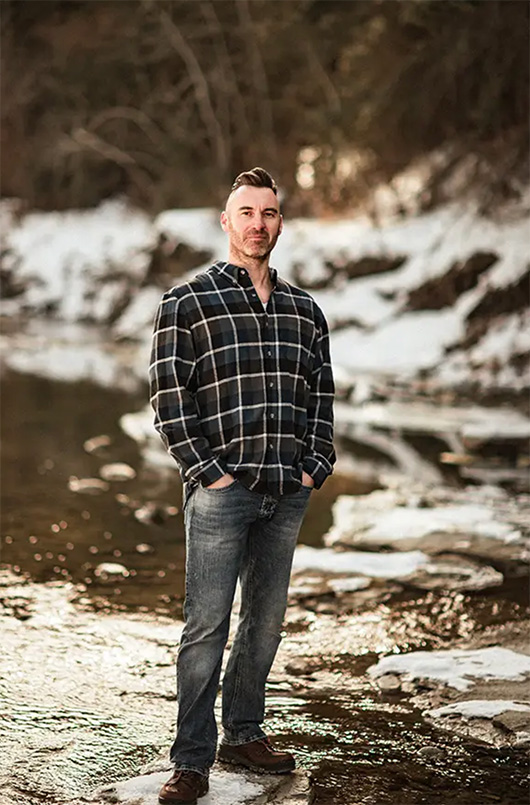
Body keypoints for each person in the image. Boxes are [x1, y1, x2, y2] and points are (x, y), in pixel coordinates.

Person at [149, 167, 335, 804]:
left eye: (270, 213)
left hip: (287, 489)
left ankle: (243, 733)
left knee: (265, 622)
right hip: (222, 492)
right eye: (247, 213)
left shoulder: (304, 310)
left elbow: (322, 397)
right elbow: (170, 400)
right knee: (205, 627)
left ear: (280, 223)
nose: (259, 224)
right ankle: (192, 760)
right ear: (225, 222)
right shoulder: (187, 302)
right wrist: (210, 474)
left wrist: (316, 464)